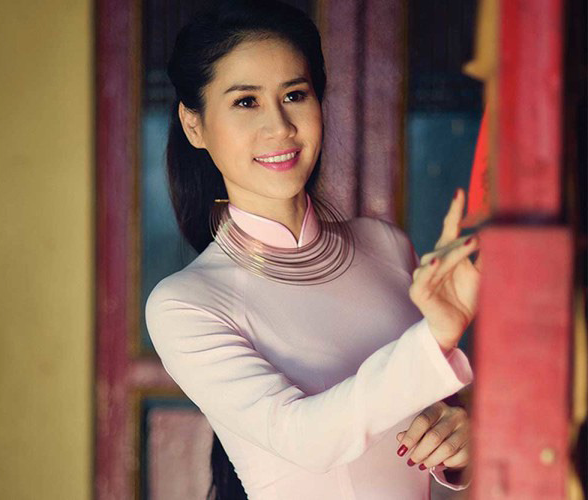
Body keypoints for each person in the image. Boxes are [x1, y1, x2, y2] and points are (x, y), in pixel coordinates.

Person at [145, 1, 481, 498]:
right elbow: (305, 438)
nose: (280, 126)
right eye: (246, 102)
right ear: (195, 126)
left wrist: (461, 436)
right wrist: (435, 337)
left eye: (294, 95)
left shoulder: (386, 246)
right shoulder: (185, 304)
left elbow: (429, 414)